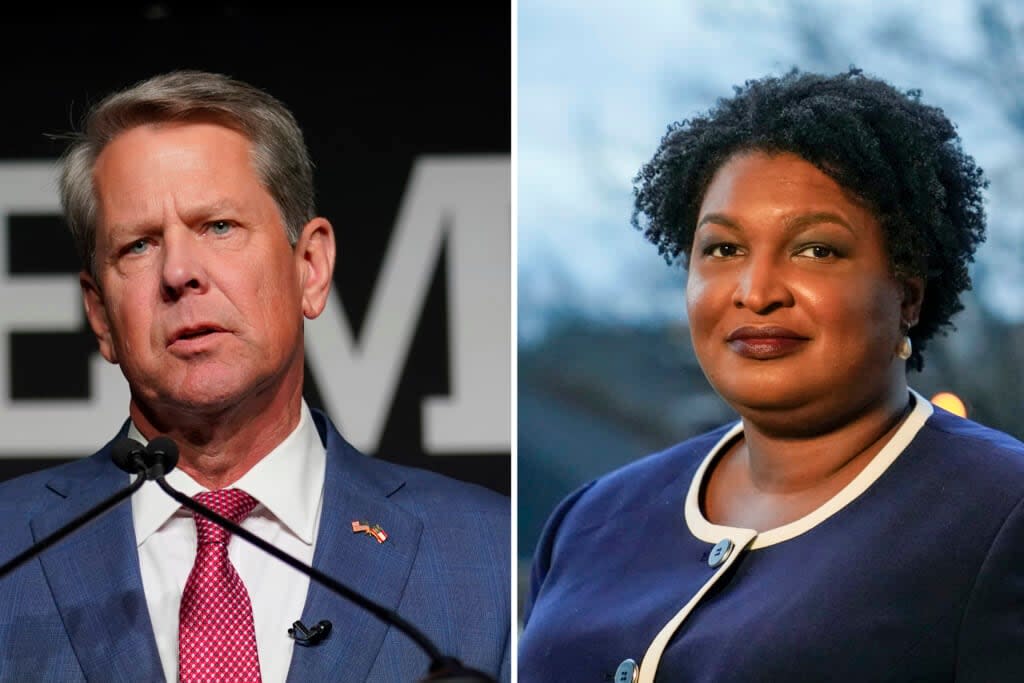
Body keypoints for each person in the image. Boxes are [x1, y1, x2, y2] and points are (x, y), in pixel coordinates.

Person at [0, 70, 509, 683]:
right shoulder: (12, 554)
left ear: (311, 268)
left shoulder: (486, 558)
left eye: (218, 226)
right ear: (101, 315)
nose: (180, 272)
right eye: (138, 245)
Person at [518, 67, 1024, 682]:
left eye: (817, 250)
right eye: (724, 250)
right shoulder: (591, 518)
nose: (756, 293)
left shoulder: (1001, 513)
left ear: (908, 296)